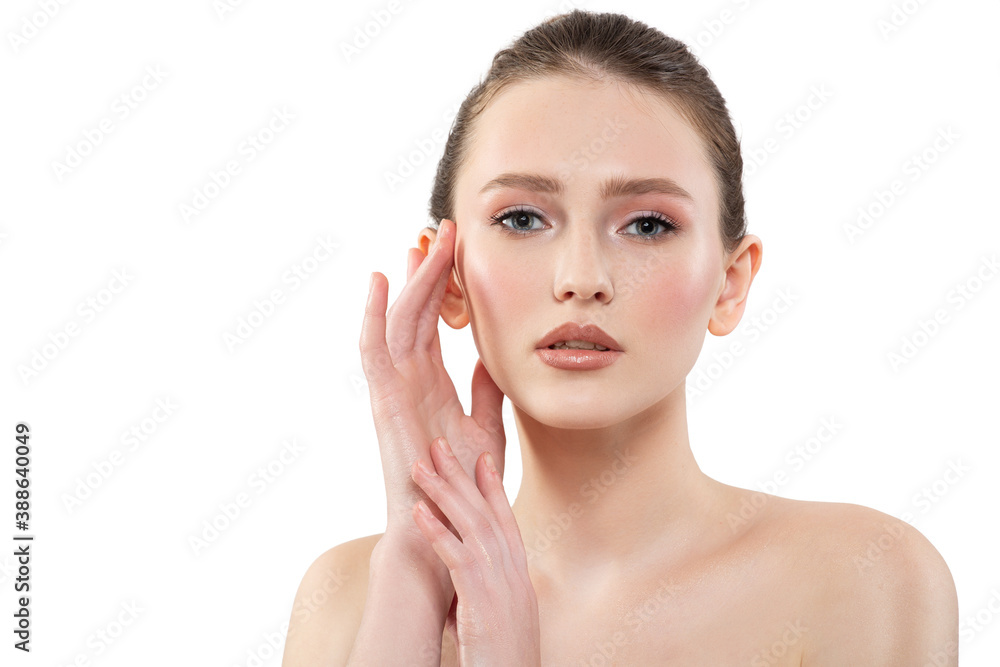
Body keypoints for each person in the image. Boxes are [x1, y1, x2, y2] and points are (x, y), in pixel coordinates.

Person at [282, 10, 958, 665]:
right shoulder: (348, 599)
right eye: (521, 217)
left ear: (730, 282)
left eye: (647, 225)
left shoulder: (864, 579)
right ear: (446, 276)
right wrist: (414, 577)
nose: (582, 278)